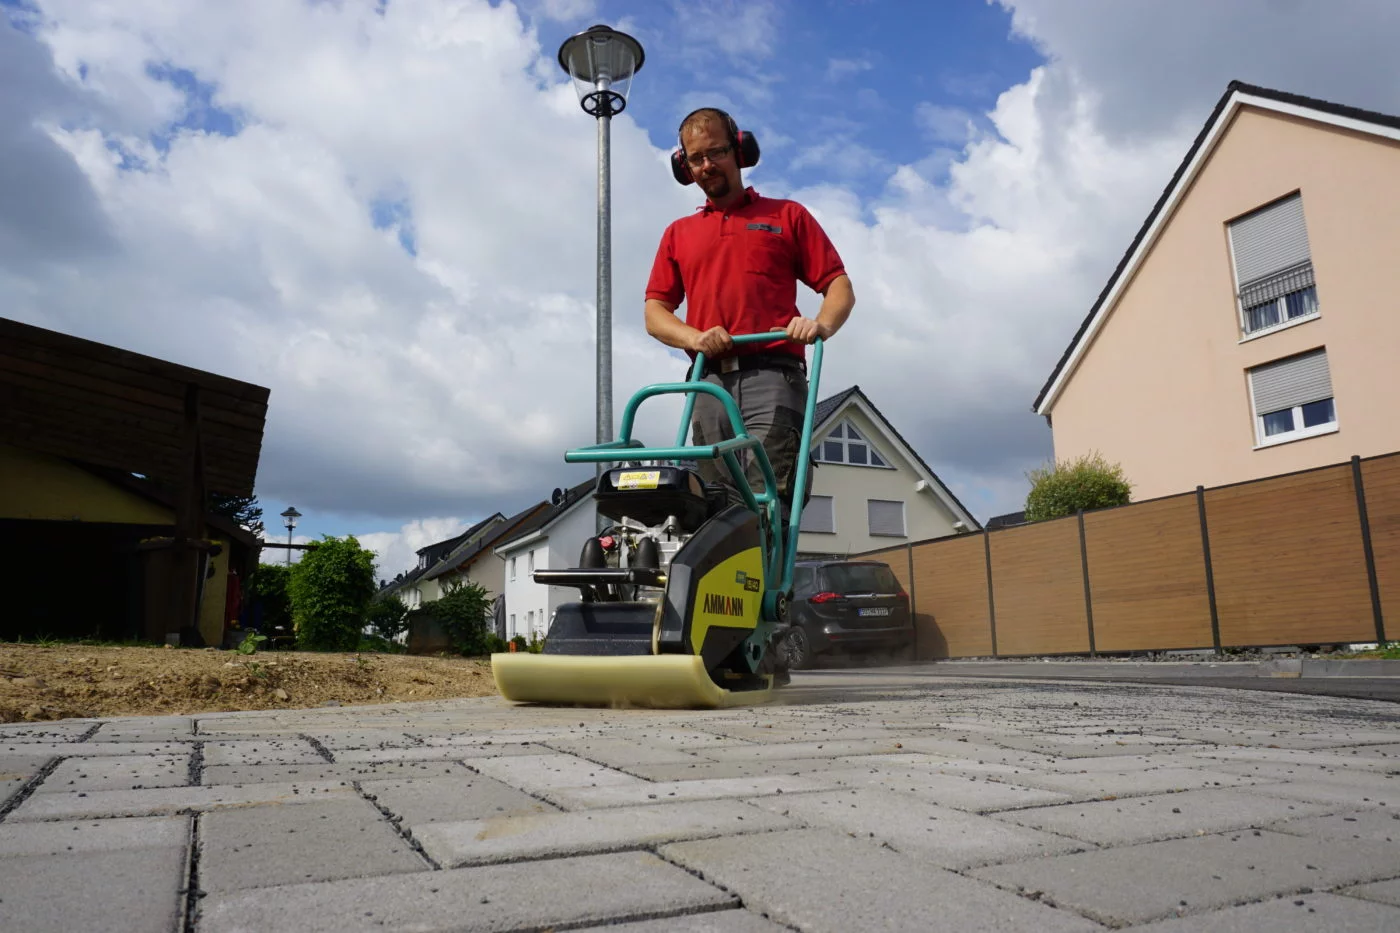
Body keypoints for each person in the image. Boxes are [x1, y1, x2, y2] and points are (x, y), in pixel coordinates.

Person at [644, 107, 856, 683]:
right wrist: (693, 336)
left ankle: (762, 627)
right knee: (712, 504)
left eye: (714, 151)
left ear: (739, 149)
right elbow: (654, 311)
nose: (706, 164)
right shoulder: (678, 234)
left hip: (773, 374)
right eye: (694, 158)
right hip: (708, 380)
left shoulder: (785, 216)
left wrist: (819, 324)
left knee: (766, 496)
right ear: (682, 167)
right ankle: (716, 630)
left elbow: (839, 285)